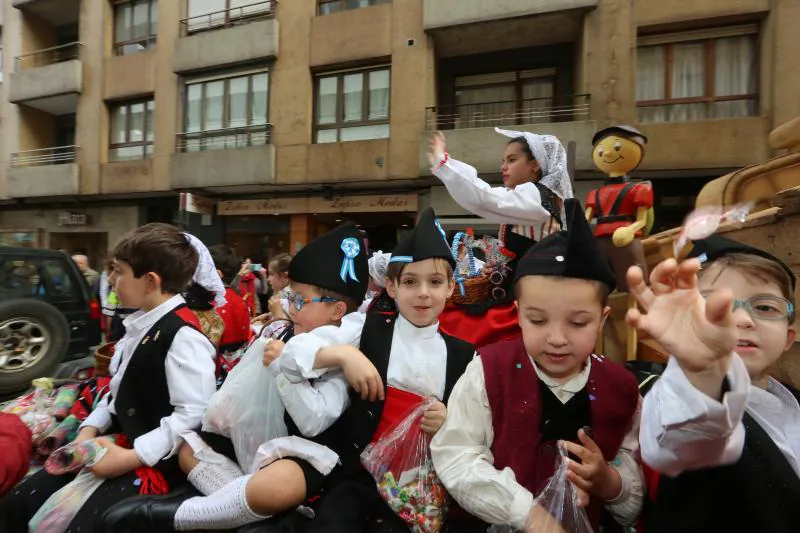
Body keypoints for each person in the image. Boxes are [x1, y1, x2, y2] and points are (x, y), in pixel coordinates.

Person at [101, 223, 370, 532]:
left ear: (337, 311)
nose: (290, 309)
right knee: (190, 449)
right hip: (253, 440)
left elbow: (313, 422)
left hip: (301, 451)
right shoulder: (283, 331)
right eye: (290, 299)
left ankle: (182, 515)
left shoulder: (344, 347)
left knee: (279, 484)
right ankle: (239, 503)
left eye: (299, 301)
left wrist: (284, 367)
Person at [430, 198, 644, 533]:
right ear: (518, 315)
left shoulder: (622, 387)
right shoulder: (488, 371)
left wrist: (609, 482)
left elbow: (631, 464)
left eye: (578, 323)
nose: (557, 338)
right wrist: (527, 514)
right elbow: (457, 454)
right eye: (538, 320)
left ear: (602, 320)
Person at [0, 223, 217, 532]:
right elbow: (117, 394)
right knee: (19, 501)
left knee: (79, 524)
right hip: (112, 444)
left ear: (150, 281)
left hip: (150, 460)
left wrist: (130, 457)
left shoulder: (182, 336)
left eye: (118, 271)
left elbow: (193, 413)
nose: (111, 280)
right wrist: (89, 429)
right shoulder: (139, 325)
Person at [272, 207, 476, 532]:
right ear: (391, 288)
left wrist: (450, 420)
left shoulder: (464, 354)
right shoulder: (364, 328)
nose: (423, 292)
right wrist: (341, 354)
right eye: (410, 281)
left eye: (435, 282)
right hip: (358, 475)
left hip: (420, 484)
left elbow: (478, 425)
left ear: (451, 287)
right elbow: (293, 354)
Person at [636, 235, 800, 533]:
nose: (742, 319)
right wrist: (698, 369)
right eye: (715, 307)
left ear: (789, 337)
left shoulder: (794, 402)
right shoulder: (690, 399)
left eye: (764, 308)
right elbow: (685, 434)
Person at [429, 128, 572, 350]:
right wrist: (497, 268)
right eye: (503, 161)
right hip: (525, 292)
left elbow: (485, 199)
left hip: (534, 300)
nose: (503, 167)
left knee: (454, 325)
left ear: (535, 165)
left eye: (512, 160)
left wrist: (444, 163)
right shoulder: (532, 198)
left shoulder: (537, 196)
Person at [209, 244, 253, 381]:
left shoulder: (215, 302)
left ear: (217, 273)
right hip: (237, 372)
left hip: (217, 372)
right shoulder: (237, 298)